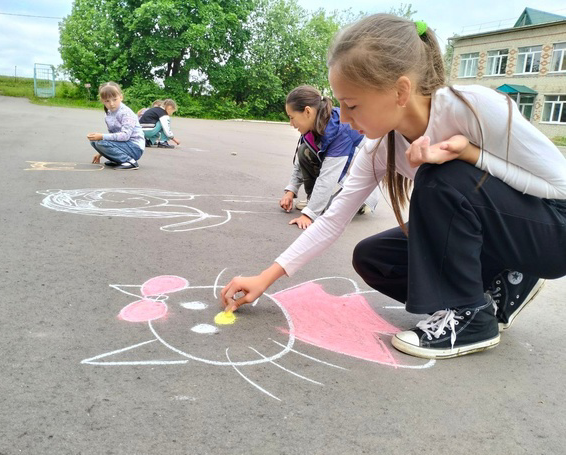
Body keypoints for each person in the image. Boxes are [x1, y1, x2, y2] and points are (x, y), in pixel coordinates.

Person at [220, 14, 566, 360]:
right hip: (505, 232)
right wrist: (264, 278)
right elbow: (331, 220)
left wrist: (469, 154)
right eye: (340, 103)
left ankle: (471, 317)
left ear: (401, 91)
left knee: (439, 176)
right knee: (374, 258)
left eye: (352, 105)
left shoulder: (474, 107)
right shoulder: (378, 147)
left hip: (553, 234)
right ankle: (502, 288)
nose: (344, 116)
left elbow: (560, 187)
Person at [280, 85, 381, 229]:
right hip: (340, 174)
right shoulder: (314, 124)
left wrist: (309, 214)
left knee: (330, 214)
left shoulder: (340, 131)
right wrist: (291, 191)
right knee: (304, 151)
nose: (291, 124)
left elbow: (328, 177)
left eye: (292, 118)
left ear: (307, 111)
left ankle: (360, 203)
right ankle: (315, 202)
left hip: (359, 182)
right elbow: (300, 160)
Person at [88, 82, 144, 170]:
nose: (111, 104)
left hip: (135, 147)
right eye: (107, 101)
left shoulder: (126, 112)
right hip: (125, 145)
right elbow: (113, 137)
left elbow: (125, 136)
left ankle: (130, 161)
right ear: (102, 101)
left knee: (100, 140)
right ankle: (118, 159)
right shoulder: (108, 113)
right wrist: (101, 152)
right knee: (94, 141)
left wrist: (102, 136)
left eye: (114, 99)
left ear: (121, 97)